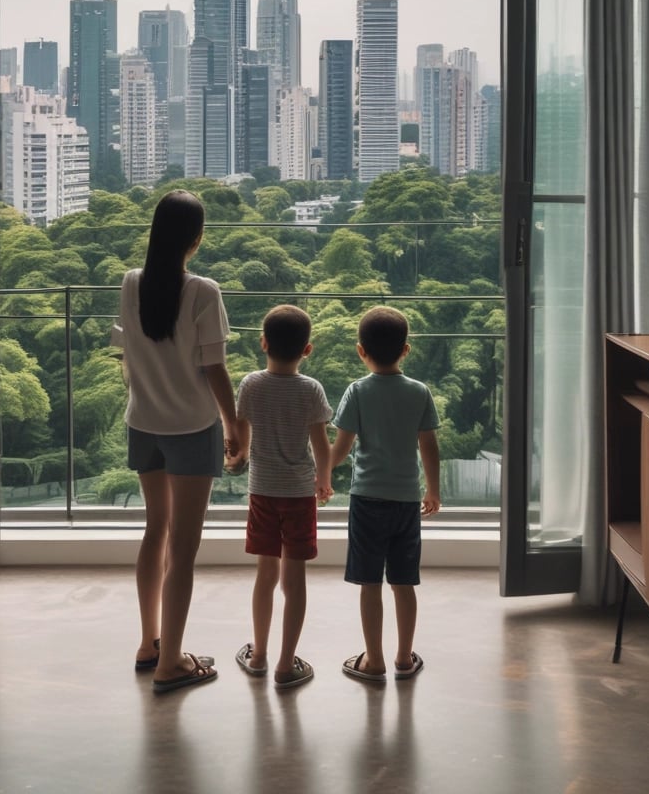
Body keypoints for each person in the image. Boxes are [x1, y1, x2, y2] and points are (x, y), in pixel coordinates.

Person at [113, 189, 239, 693]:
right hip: (190, 427)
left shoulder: (131, 283)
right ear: (196, 237)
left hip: (143, 423)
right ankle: (172, 666)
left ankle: (150, 645)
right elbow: (215, 369)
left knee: (155, 531)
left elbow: (127, 357)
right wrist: (235, 428)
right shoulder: (203, 292)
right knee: (183, 547)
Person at [330, 306, 441, 683]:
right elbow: (429, 446)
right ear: (405, 350)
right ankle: (405, 658)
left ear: (361, 351)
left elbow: (342, 449)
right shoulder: (419, 392)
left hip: (366, 500)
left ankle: (373, 659)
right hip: (406, 500)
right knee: (404, 582)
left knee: (369, 583)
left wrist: (319, 473)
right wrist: (434, 489)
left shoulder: (357, 391)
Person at [226, 305, 333, 689]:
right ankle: (286, 665)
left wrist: (236, 458)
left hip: (263, 491)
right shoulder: (311, 389)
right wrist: (323, 479)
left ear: (263, 343)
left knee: (265, 576)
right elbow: (321, 445)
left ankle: (258, 656)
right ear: (307, 349)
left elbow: (241, 437)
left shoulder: (251, 384)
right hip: (300, 493)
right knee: (295, 579)